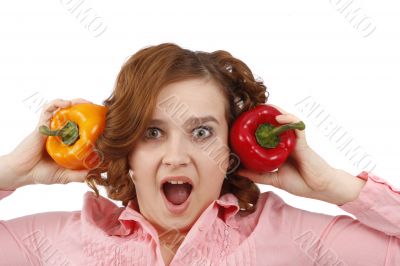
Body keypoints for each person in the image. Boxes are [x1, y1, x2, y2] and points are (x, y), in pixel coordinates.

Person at [0, 43, 399, 266]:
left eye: (202, 132)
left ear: (230, 151)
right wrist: (12, 173)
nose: (176, 156)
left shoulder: (286, 234)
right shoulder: (59, 240)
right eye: (153, 132)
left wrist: (331, 186)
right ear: (128, 152)